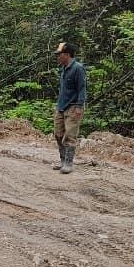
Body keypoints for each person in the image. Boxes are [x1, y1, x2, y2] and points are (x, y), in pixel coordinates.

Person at [53, 41, 86, 174]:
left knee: (70, 136)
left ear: (67, 54)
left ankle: (68, 163)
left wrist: (79, 106)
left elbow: (82, 88)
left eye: (59, 54)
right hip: (61, 106)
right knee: (58, 134)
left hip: (73, 107)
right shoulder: (64, 68)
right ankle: (62, 160)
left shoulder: (78, 68)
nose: (58, 57)